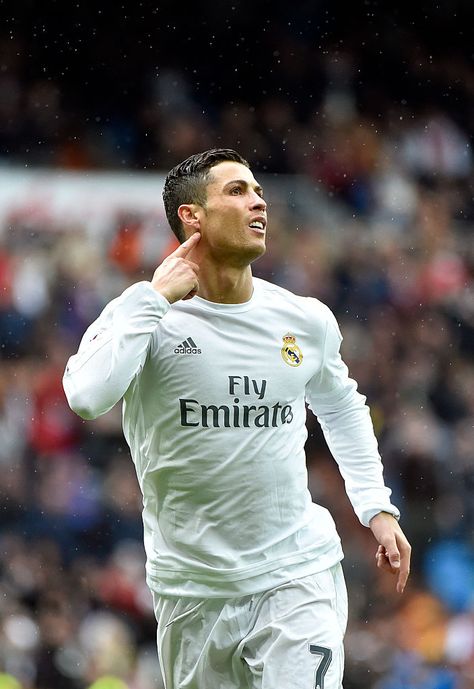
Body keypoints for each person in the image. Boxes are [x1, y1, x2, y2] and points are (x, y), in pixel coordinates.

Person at [63, 148, 411, 689]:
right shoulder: (144, 314)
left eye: (259, 192)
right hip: (191, 589)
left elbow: (342, 404)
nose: (259, 203)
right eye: (237, 191)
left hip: (295, 573)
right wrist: (153, 299)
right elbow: (86, 396)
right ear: (192, 216)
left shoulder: (304, 319)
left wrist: (375, 506)